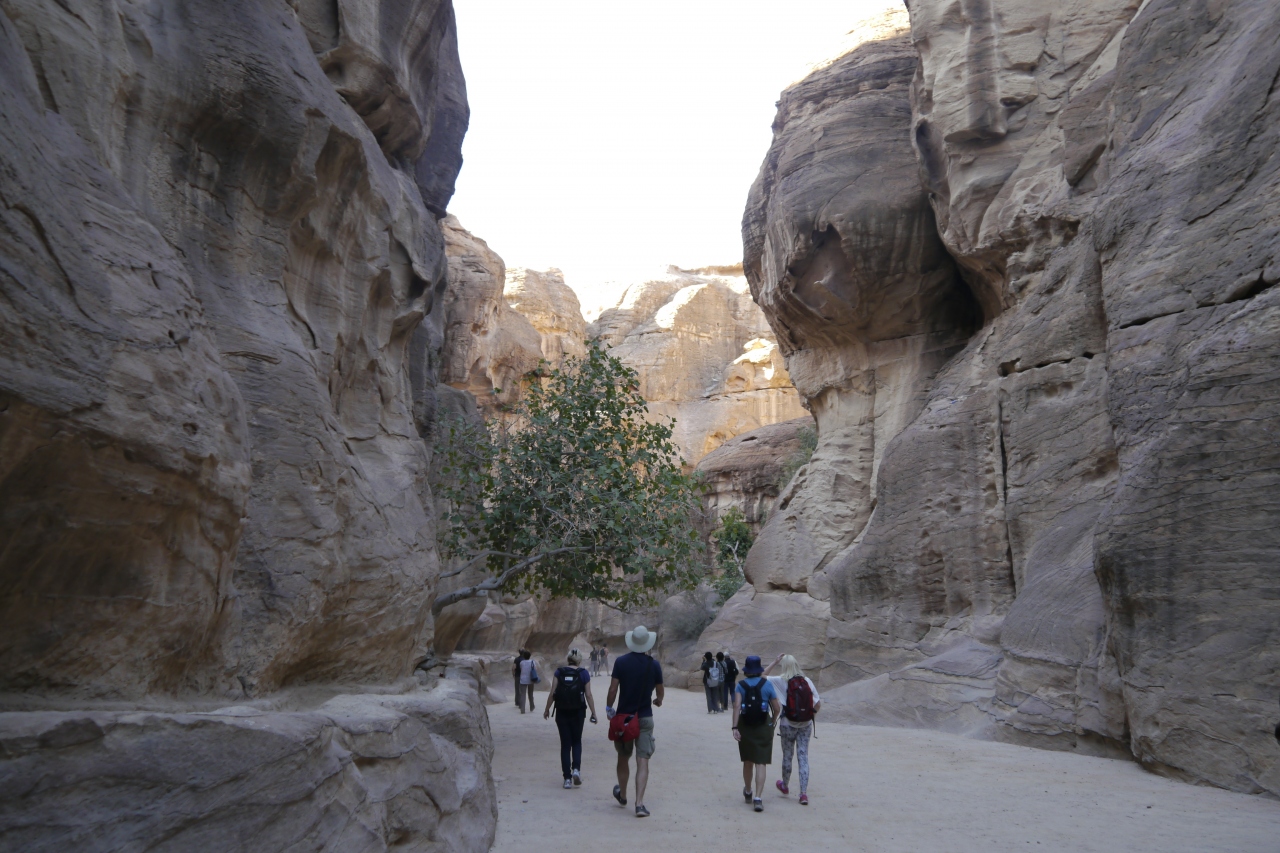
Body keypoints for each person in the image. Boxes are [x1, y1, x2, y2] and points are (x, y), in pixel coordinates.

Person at [606, 624, 664, 818]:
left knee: (623, 757)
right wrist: (658, 700)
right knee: (643, 760)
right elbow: (660, 690)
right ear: (647, 643)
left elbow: (613, 689)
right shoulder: (653, 665)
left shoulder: (621, 662)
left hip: (624, 718)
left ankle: (623, 795)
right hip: (644, 717)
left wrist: (609, 708)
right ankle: (639, 804)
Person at [764, 653, 821, 805]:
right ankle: (803, 794)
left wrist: (774, 662)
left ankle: (785, 785)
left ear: (784, 666)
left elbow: (761, 676)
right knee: (803, 757)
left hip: (787, 724)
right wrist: (809, 715)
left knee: (787, 755)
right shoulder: (807, 681)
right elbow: (818, 704)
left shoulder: (781, 680)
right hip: (805, 725)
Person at [732, 654, 780, 812]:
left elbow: (737, 706)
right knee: (761, 762)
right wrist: (772, 722)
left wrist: (735, 727)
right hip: (763, 726)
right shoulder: (767, 684)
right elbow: (777, 708)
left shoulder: (741, 685)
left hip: (745, 726)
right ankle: (758, 798)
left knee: (747, 761)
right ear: (759, 669)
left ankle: (748, 791)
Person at [544, 648, 598, 788]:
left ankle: (567, 779)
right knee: (577, 741)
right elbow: (588, 694)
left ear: (568, 659)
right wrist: (593, 712)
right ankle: (576, 770)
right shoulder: (583, 673)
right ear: (579, 660)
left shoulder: (559, 672)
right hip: (578, 712)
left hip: (561, 711)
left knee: (565, 745)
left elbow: (553, 693)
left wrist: (547, 709)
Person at [516, 648, 538, 713]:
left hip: (523, 680)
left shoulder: (521, 662)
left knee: (523, 694)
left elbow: (521, 669)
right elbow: (535, 669)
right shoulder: (532, 662)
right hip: (531, 679)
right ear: (530, 656)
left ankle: (522, 709)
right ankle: (532, 706)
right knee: (530, 694)